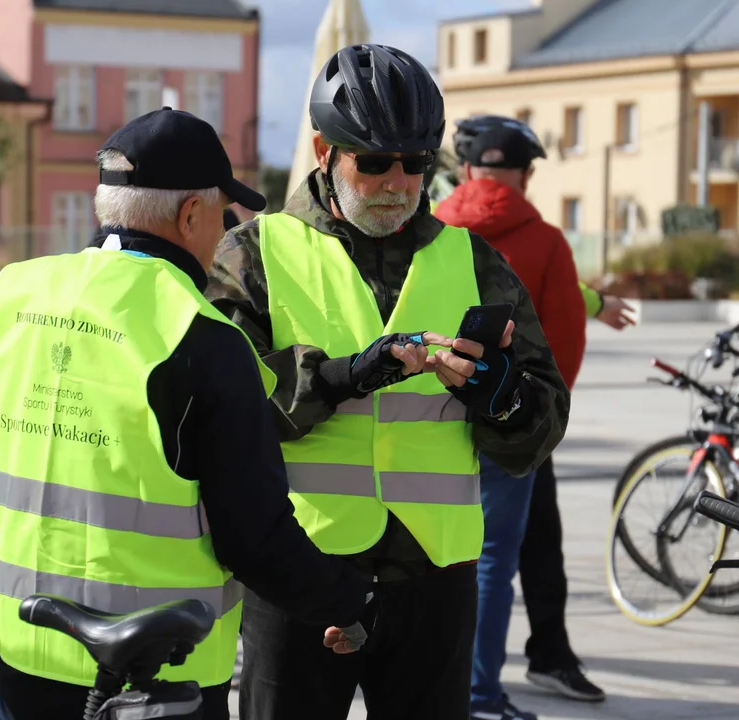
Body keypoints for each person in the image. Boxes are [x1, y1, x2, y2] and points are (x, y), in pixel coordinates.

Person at [0, 108, 384, 720]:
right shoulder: (203, 336)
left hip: (23, 658)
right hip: (158, 681)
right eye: (222, 215)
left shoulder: (17, 295)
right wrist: (346, 601)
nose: (225, 232)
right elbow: (254, 538)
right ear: (189, 215)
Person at [207, 44, 570, 720]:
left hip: (436, 580)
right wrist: (344, 377)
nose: (398, 182)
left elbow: (542, 423)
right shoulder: (254, 253)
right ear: (323, 148)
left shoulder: (473, 260)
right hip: (300, 573)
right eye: (373, 162)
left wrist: (502, 398)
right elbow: (226, 407)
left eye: (415, 164)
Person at [434, 115, 600, 716]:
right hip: (508, 424)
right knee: (492, 563)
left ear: (467, 170)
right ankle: (480, 694)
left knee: (418, 556)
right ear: (527, 174)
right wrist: (539, 420)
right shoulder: (548, 240)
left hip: (424, 420)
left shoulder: (432, 227)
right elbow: (564, 342)